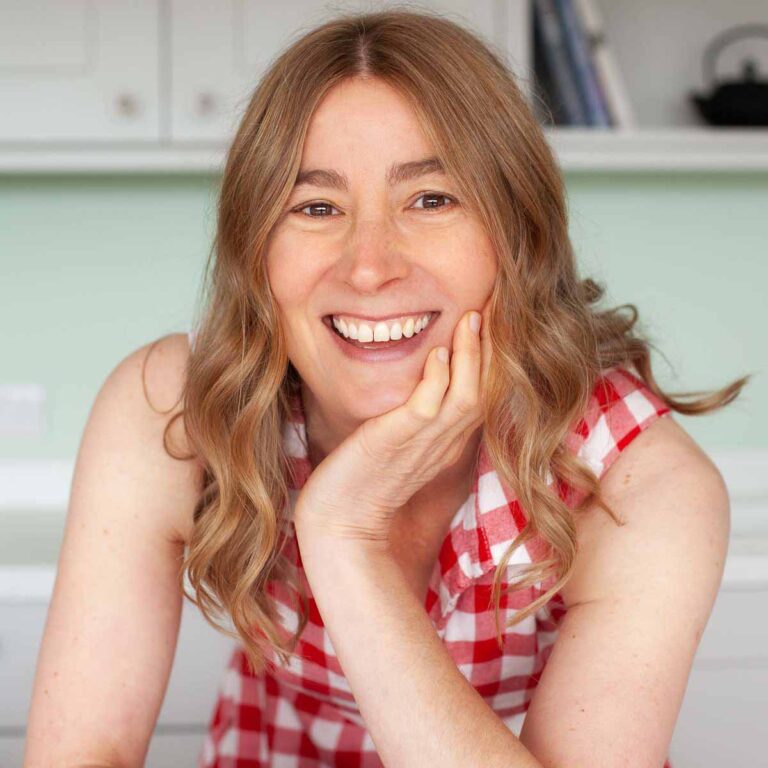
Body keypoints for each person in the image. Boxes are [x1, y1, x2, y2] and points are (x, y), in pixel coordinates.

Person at [24, 8, 749, 768]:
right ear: (254, 253)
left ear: (519, 236)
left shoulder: (640, 483)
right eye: (316, 207)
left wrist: (344, 536)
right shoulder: (171, 411)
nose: (369, 267)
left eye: (431, 200)